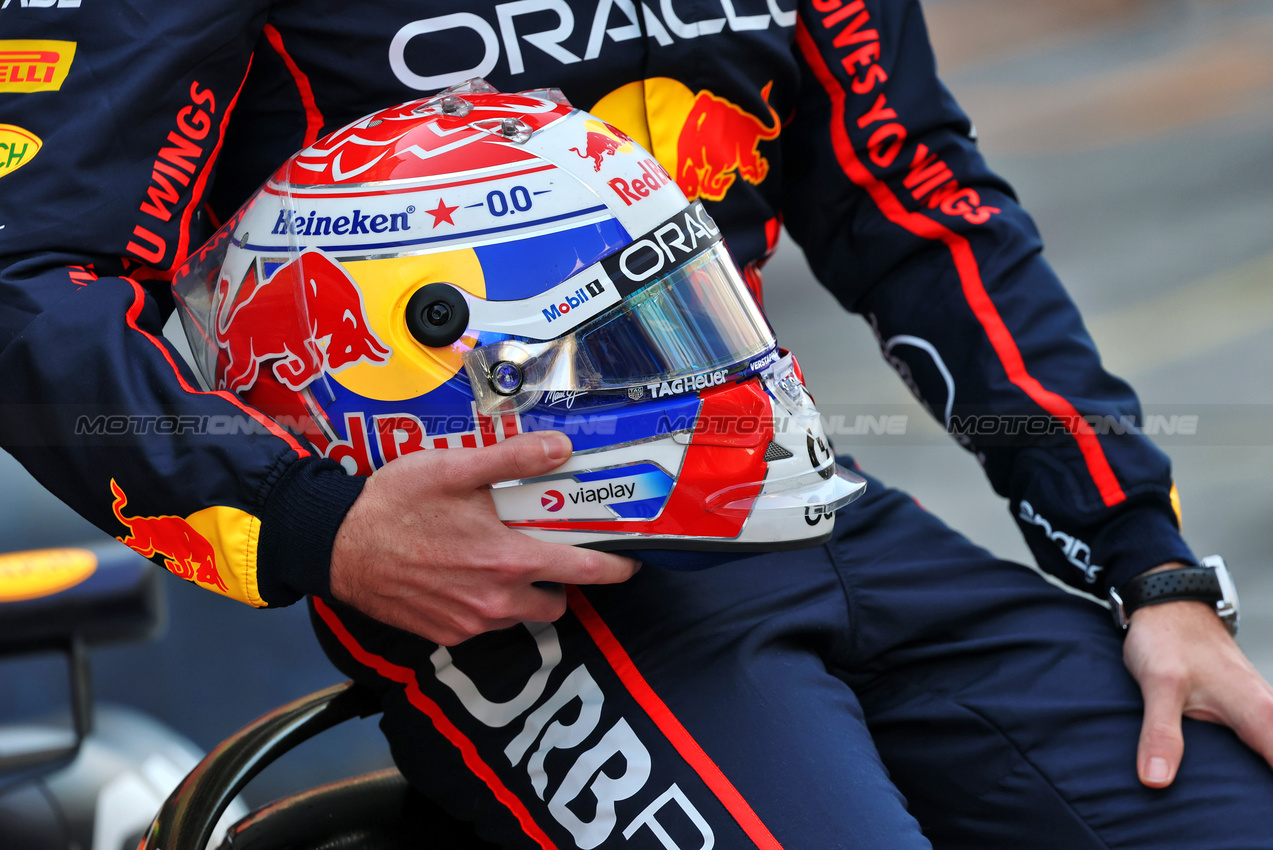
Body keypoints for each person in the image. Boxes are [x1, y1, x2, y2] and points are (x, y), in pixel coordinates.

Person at [1, 1, 1271, 847]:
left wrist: (1147, 568)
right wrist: (316, 525)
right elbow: (26, 284)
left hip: (791, 492)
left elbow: (922, 211)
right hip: (503, 584)